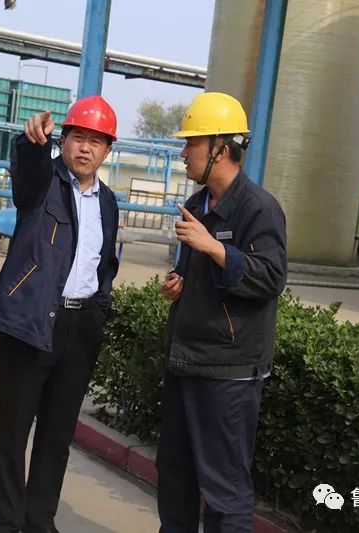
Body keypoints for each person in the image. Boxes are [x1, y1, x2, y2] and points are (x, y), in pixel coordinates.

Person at [0, 95, 120, 533]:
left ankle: (39, 520)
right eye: (78, 137)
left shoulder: (108, 202)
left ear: (108, 150)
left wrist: (99, 309)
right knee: (14, 432)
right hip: (31, 321)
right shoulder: (43, 183)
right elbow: (26, 174)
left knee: (58, 435)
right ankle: (4, 525)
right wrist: (32, 143)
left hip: (79, 328)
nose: (85, 148)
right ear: (64, 140)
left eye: (96, 141)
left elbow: (105, 263)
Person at [157, 92, 287, 532]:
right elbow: (198, 271)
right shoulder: (197, 205)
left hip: (228, 373)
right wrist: (179, 282)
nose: (183, 152)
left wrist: (214, 248)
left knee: (224, 489)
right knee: (175, 477)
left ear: (221, 147)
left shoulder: (259, 209)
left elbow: (270, 278)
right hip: (186, 361)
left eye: (191, 143)